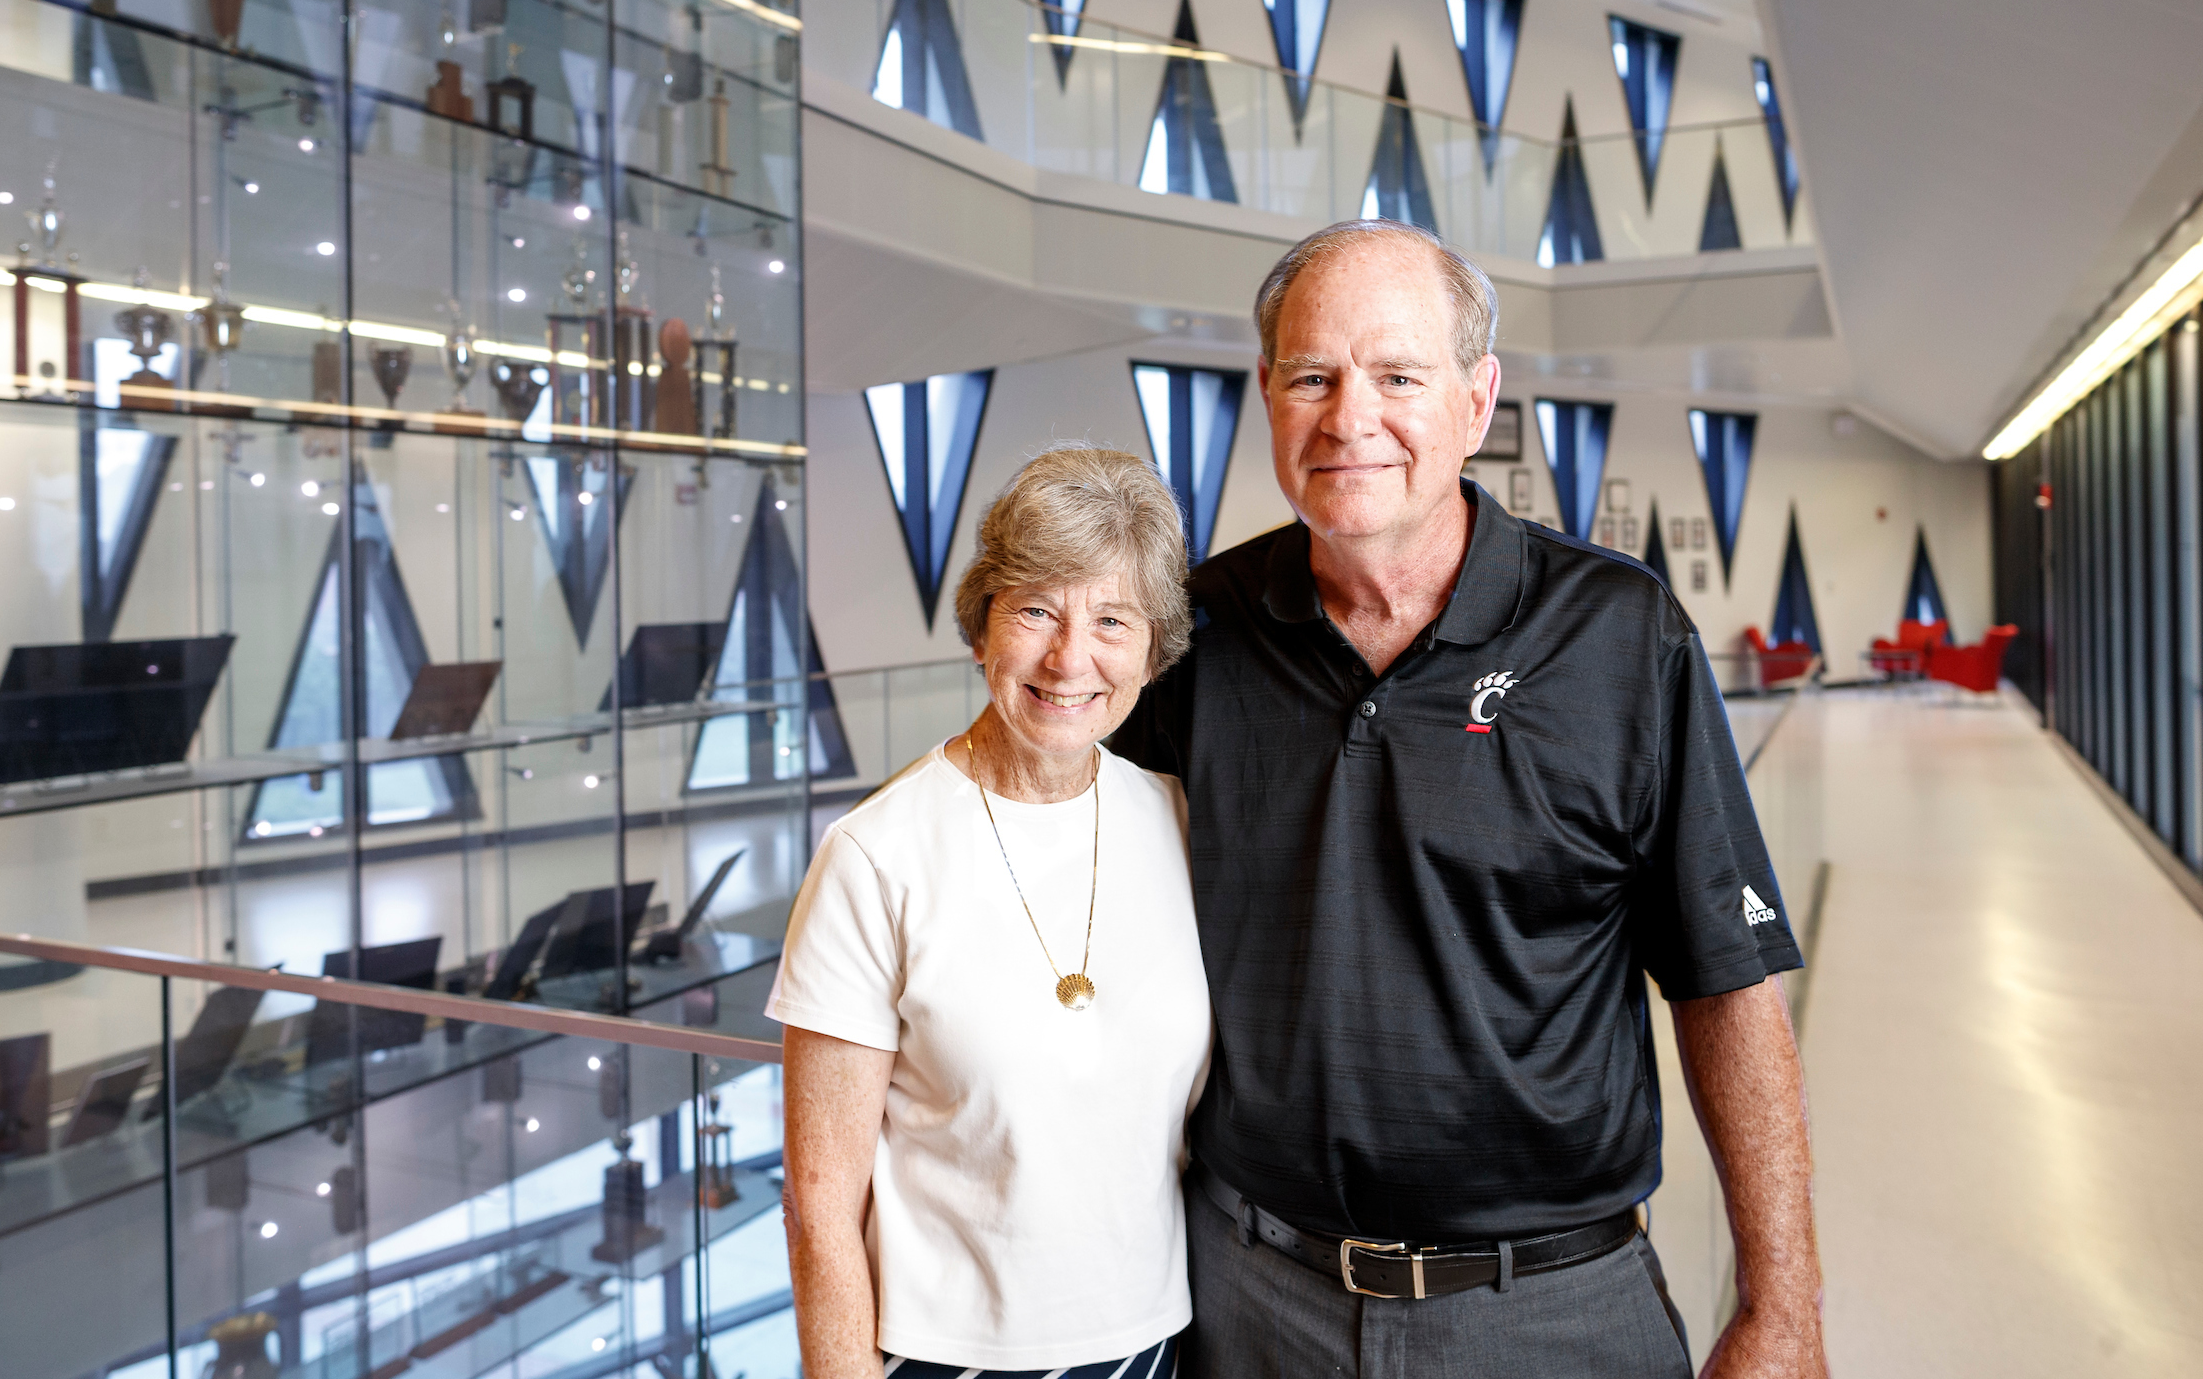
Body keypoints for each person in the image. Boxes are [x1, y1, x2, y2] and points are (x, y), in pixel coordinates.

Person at [1114, 219, 1828, 1378]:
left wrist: (1783, 1304)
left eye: (1399, 375)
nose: (1351, 419)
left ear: (1477, 398)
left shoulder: (1617, 636)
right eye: (1313, 377)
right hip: (1247, 1298)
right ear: (1268, 394)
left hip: (1547, 1308)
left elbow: (1726, 979)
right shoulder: (1200, 631)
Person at [773, 447, 1209, 1379]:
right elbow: (819, 1209)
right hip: (943, 1358)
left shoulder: (1174, 820)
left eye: (1111, 620)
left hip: (1155, 1345)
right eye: (1036, 611)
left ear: (1152, 650)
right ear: (982, 629)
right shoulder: (874, 857)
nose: (1070, 658)